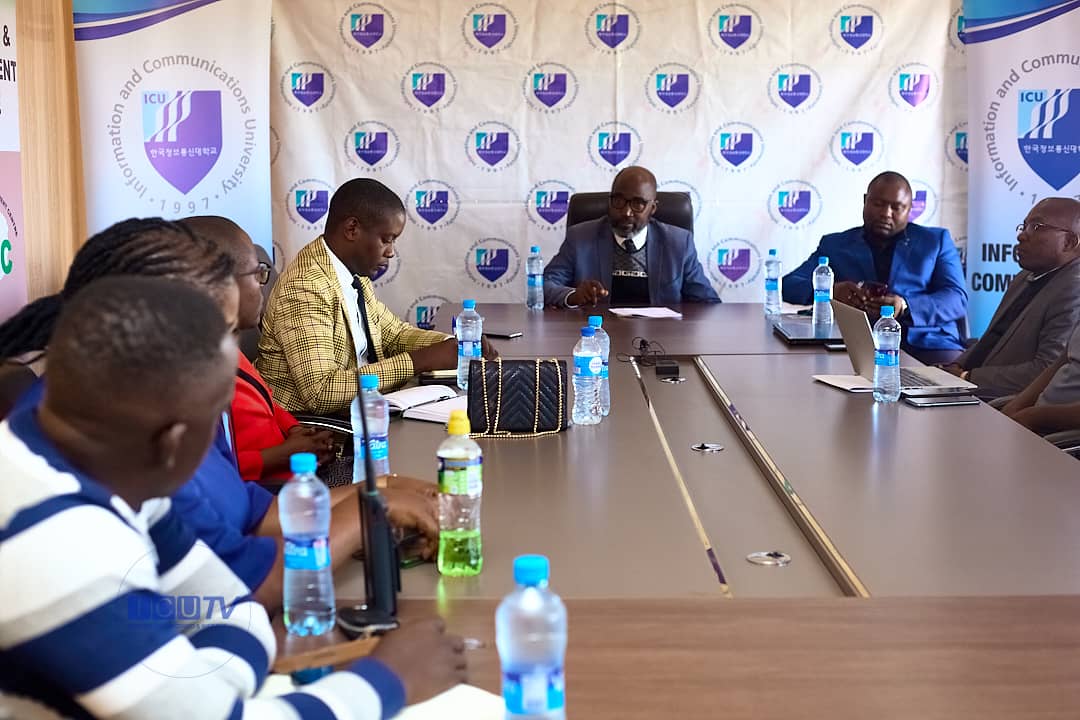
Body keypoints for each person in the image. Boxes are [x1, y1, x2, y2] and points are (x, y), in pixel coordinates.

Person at [0, 276, 467, 719]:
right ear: (173, 441)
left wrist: (210, 682)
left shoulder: (116, 474)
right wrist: (388, 680)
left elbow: (230, 607)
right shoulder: (53, 540)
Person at [1, 217, 438, 612]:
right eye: (222, 334)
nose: (233, 360)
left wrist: (378, 492)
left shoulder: (169, 405)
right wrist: (367, 514)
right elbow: (246, 586)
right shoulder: (126, 443)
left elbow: (250, 512)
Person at [258, 178, 496, 416]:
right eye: (386, 239)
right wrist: (419, 361)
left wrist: (459, 345)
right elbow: (321, 392)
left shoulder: (352, 272)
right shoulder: (305, 286)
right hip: (319, 427)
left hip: (365, 409)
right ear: (352, 229)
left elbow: (395, 334)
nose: (391, 252)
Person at [182, 215, 335, 484]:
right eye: (257, 274)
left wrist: (296, 431)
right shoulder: (192, 380)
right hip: (267, 488)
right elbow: (214, 473)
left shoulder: (227, 347)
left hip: (296, 473)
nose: (263, 286)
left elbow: (268, 402)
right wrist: (283, 454)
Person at [783, 171, 968, 363]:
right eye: (878, 204)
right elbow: (788, 284)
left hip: (926, 343)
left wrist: (905, 306)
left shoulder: (936, 242)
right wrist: (830, 292)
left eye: (896, 207)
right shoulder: (835, 245)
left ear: (909, 209)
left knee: (949, 376)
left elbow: (957, 298)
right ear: (865, 201)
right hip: (855, 344)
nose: (886, 213)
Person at [942, 198, 1080, 398]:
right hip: (971, 387)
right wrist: (955, 366)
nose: (1021, 236)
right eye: (1024, 226)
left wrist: (966, 378)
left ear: (1069, 242)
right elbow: (991, 338)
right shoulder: (1025, 276)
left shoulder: (1074, 288)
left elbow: (1046, 371)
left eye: (1036, 227)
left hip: (1005, 403)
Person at [543, 165, 719, 307]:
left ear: (652, 208)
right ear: (610, 201)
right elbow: (543, 285)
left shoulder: (679, 243)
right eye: (619, 201)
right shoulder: (580, 237)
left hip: (660, 335)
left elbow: (708, 302)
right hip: (598, 333)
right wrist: (574, 295)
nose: (626, 212)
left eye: (638, 204)